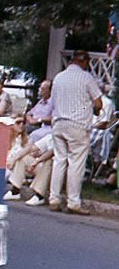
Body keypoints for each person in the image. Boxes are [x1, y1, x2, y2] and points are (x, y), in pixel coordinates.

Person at [48, 50, 102, 214]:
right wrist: (94, 111)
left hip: (59, 122)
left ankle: (54, 198)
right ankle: (73, 201)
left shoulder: (59, 77)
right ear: (84, 62)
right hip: (77, 124)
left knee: (59, 160)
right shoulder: (86, 78)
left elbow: (53, 102)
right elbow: (98, 103)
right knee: (76, 163)